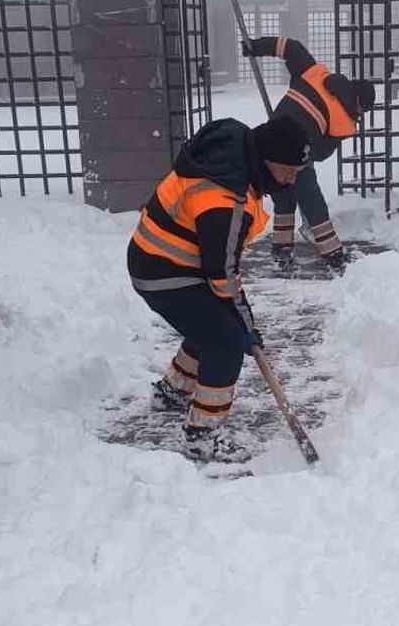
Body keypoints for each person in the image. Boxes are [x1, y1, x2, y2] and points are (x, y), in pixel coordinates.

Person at [127, 114, 310, 463]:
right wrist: (246, 327)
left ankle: (172, 392)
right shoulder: (225, 200)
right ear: (268, 161)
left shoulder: (237, 147)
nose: (290, 180)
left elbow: (219, 276)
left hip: (163, 256)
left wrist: (239, 316)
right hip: (165, 271)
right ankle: (201, 436)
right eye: (288, 171)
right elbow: (222, 275)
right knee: (225, 341)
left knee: (211, 321)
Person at [242, 36, 376, 270]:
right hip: (297, 157)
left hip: (269, 143)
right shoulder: (344, 123)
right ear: (359, 106)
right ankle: (332, 254)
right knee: (312, 201)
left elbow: (290, 47)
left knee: (283, 198)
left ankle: (282, 252)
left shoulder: (314, 75)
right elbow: (321, 153)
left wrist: (257, 47)